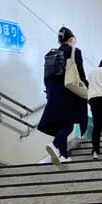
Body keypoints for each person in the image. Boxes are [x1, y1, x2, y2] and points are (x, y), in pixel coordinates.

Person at [38, 26, 88, 165]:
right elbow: (80, 73)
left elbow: (46, 77)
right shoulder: (74, 51)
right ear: (71, 39)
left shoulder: (52, 54)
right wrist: (86, 88)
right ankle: (54, 145)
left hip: (53, 94)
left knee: (61, 124)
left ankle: (64, 155)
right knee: (69, 124)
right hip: (68, 93)